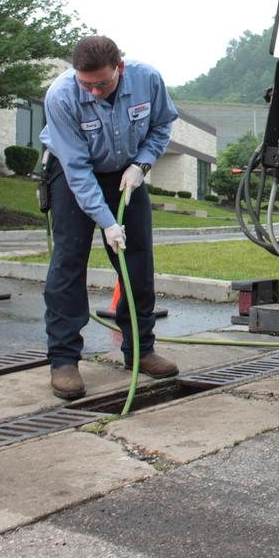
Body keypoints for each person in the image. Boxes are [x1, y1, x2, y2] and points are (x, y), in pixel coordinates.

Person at [40, 35, 180, 399]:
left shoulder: (147, 79)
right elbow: (76, 168)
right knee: (69, 260)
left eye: (103, 83)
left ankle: (141, 351)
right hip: (73, 177)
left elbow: (162, 126)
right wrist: (107, 222)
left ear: (120, 67)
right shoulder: (61, 97)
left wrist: (142, 164)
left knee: (136, 262)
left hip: (126, 174)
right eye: (87, 85)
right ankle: (64, 360)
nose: (96, 91)